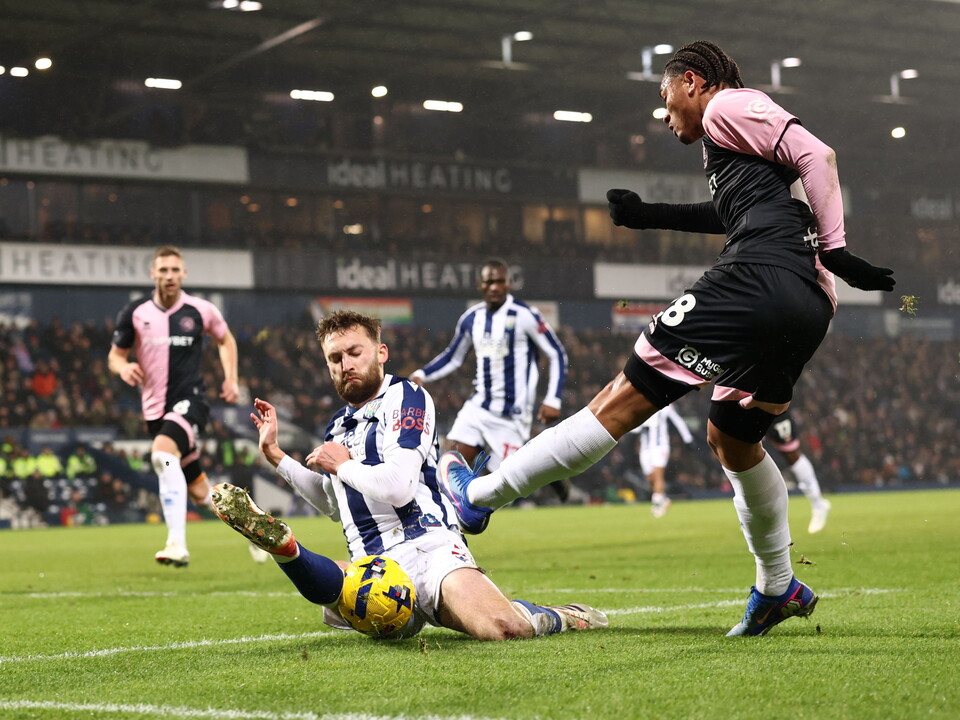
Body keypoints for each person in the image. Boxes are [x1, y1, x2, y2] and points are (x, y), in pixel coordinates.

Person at [435, 41, 895, 637]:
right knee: (732, 439)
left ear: (694, 82)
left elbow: (818, 154)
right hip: (806, 306)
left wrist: (835, 246)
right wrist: (648, 214)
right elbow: (733, 211)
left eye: (665, 95)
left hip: (759, 276)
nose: (663, 111)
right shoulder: (733, 145)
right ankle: (778, 585)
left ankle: (481, 497)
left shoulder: (730, 105)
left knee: (622, 399)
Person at [212, 309, 606, 640]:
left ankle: (556, 615)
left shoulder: (407, 397)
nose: (345, 364)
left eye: (354, 352)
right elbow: (334, 503)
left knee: (503, 629)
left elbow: (398, 489)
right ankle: (283, 547)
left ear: (380, 353)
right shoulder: (337, 426)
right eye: (334, 358)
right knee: (355, 588)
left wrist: (342, 464)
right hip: (373, 568)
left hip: (426, 549)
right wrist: (276, 455)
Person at [108, 245, 241, 568]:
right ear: (153, 273)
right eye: (163, 270)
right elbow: (115, 356)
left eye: (174, 270)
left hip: (191, 401)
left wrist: (231, 378)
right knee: (201, 492)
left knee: (162, 455)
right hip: (155, 410)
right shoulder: (135, 313)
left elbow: (225, 339)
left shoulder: (200, 310)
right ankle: (259, 532)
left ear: (184, 274)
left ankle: (176, 544)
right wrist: (123, 368)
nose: (169, 276)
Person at [410, 258, 570, 500]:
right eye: (489, 282)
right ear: (480, 285)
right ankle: (447, 520)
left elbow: (556, 353)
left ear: (508, 284)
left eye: (499, 282)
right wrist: (422, 374)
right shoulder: (471, 318)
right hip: (478, 407)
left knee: (511, 484)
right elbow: (454, 356)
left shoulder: (525, 315)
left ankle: (553, 475)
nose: (494, 287)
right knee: (447, 465)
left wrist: (553, 399)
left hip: (511, 417)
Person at [766, 411, 831, 533]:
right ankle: (755, 513)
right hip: (741, 402)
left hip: (769, 404)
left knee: (790, 453)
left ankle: (818, 504)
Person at [631, 405, 694, 518]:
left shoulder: (665, 406)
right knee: (650, 478)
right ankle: (663, 499)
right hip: (645, 448)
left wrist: (688, 439)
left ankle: (657, 506)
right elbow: (636, 427)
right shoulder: (643, 406)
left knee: (658, 475)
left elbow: (678, 421)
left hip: (660, 446)